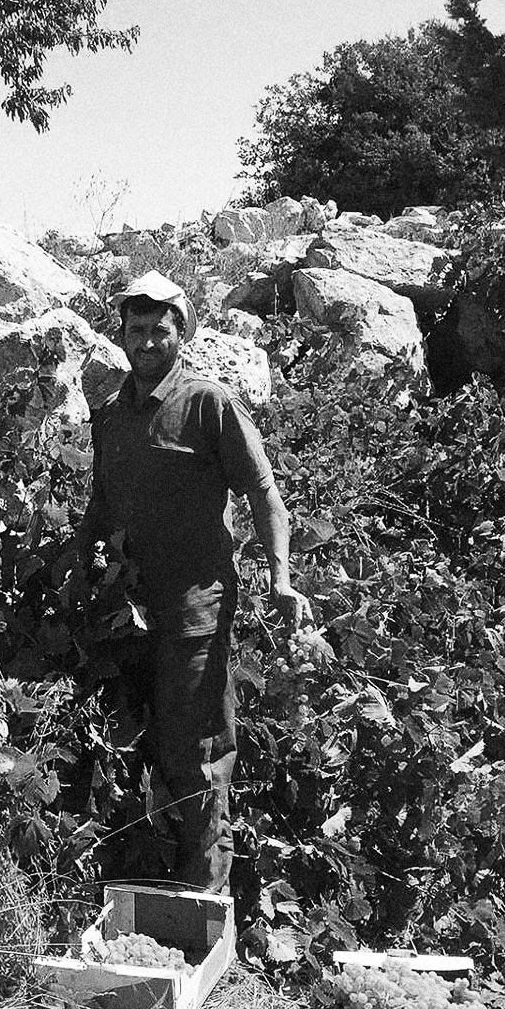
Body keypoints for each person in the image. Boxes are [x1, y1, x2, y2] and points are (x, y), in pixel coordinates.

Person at [80, 271, 306, 893]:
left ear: (181, 333)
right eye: (136, 330)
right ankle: (152, 881)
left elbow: (263, 491)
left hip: (195, 609)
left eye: (159, 330)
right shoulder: (111, 420)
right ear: (120, 336)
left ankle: (202, 896)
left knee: (199, 750)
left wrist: (281, 578)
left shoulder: (209, 405)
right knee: (136, 743)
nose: (146, 342)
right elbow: (100, 511)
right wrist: (81, 579)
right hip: (127, 610)